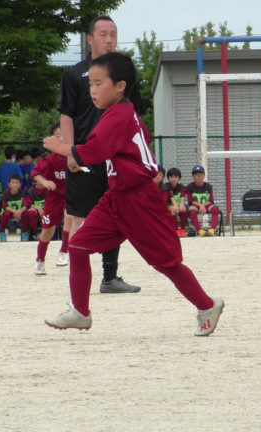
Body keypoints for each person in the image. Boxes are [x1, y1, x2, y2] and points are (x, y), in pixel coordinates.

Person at [42, 51, 223, 334]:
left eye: (98, 83)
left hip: (139, 199)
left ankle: (207, 304)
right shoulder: (121, 113)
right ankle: (81, 312)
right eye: (90, 84)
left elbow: (94, 151)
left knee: (166, 263)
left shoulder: (118, 115)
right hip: (117, 196)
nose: (92, 90)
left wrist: (60, 147)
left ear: (120, 86)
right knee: (77, 246)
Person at [58, 15, 139, 294]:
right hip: (84, 156)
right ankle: (77, 280)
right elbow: (66, 115)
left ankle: (110, 277)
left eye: (113, 34)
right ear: (90, 39)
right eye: (103, 34)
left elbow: (135, 116)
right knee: (79, 217)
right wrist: (70, 152)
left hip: (115, 159)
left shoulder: (124, 73)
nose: (109, 39)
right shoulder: (74, 75)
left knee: (116, 214)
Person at [31, 122, 71, 274]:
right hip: (54, 198)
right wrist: (44, 182)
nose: (61, 138)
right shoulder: (51, 159)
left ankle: (64, 251)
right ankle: (40, 260)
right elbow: (35, 173)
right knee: (47, 230)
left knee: (70, 216)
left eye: (64, 135)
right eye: (57, 135)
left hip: (71, 195)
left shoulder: (74, 155)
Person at [0, 174, 38, 243]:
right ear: (9, 184)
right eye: (13, 183)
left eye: (17, 183)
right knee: (6, 214)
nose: (15, 185)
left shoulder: (23, 193)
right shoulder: (5, 193)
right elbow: (5, 206)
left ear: (20, 184)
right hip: (9, 211)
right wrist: (14, 212)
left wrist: (19, 211)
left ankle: (24, 232)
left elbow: (25, 205)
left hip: (20, 212)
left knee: (25, 213)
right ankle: (2, 233)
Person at [185, 165, 220, 236]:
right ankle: (200, 231)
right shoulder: (189, 187)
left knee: (215, 208)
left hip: (206, 205)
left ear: (204, 175)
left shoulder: (209, 186)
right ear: (193, 176)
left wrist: (203, 206)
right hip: (195, 205)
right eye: (196, 175)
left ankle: (212, 230)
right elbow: (190, 201)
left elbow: (211, 200)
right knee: (192, 211)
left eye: (201, 174)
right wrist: (200, 206)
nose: (199, 177)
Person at [164, 167, 191, 237]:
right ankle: (175, 230)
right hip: (169, 207)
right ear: (168, 178)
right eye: (171, 177)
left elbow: (182, 196)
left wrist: (181, 205)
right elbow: (169, 198)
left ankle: (182, 230)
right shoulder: (165, 186)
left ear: (179, 178)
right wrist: (174, 206)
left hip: (178, 206)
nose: (174, 179)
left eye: (176, 177)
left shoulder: (181, 187)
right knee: (174, 210)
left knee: (183, 209)